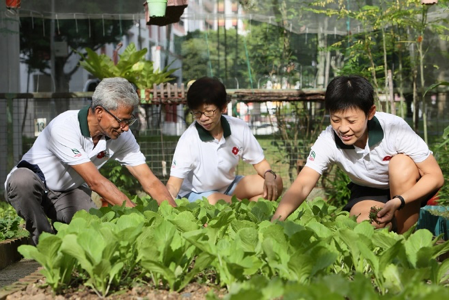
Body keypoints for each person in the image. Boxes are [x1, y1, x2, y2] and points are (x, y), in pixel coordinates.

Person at [4, 77, 176, 245]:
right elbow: (96, 182)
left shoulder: (122, 136)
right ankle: (44, 243)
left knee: (91, 223)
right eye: (121, 120)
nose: (125, 127)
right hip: (34, 183)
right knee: (22, 182)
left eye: (129, 120)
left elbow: (149, 180)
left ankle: (64, 235)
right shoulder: (64, 127)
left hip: (67, 192)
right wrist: (140, 220)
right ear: (100, 112)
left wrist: (174, 217)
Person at [271, 75, 444, 233]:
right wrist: (275, 222)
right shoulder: (329, 139)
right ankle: (392, 233)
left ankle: (406, 238)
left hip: (407, 193)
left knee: (401, 163)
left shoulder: (394, 128)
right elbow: (302, 184)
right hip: (368, 192)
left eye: (351, 121)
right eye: (335, 120)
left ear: (370, 113)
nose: (343, 129)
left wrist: (398, 201)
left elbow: (435, 176)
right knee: (365, 226)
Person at [166, 77, 283, 204]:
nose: (203, 118)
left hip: (229, 187)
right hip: (198, 193)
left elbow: (259, 162)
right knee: (219, 201)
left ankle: (245, 208)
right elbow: (174, 184)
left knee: (276, 182)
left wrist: (268, 175)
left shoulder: (238, 127)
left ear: (223, 107)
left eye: (209, 112)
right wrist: (167, 203)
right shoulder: (188, 139)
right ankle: (248, 209)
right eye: (197, 113)